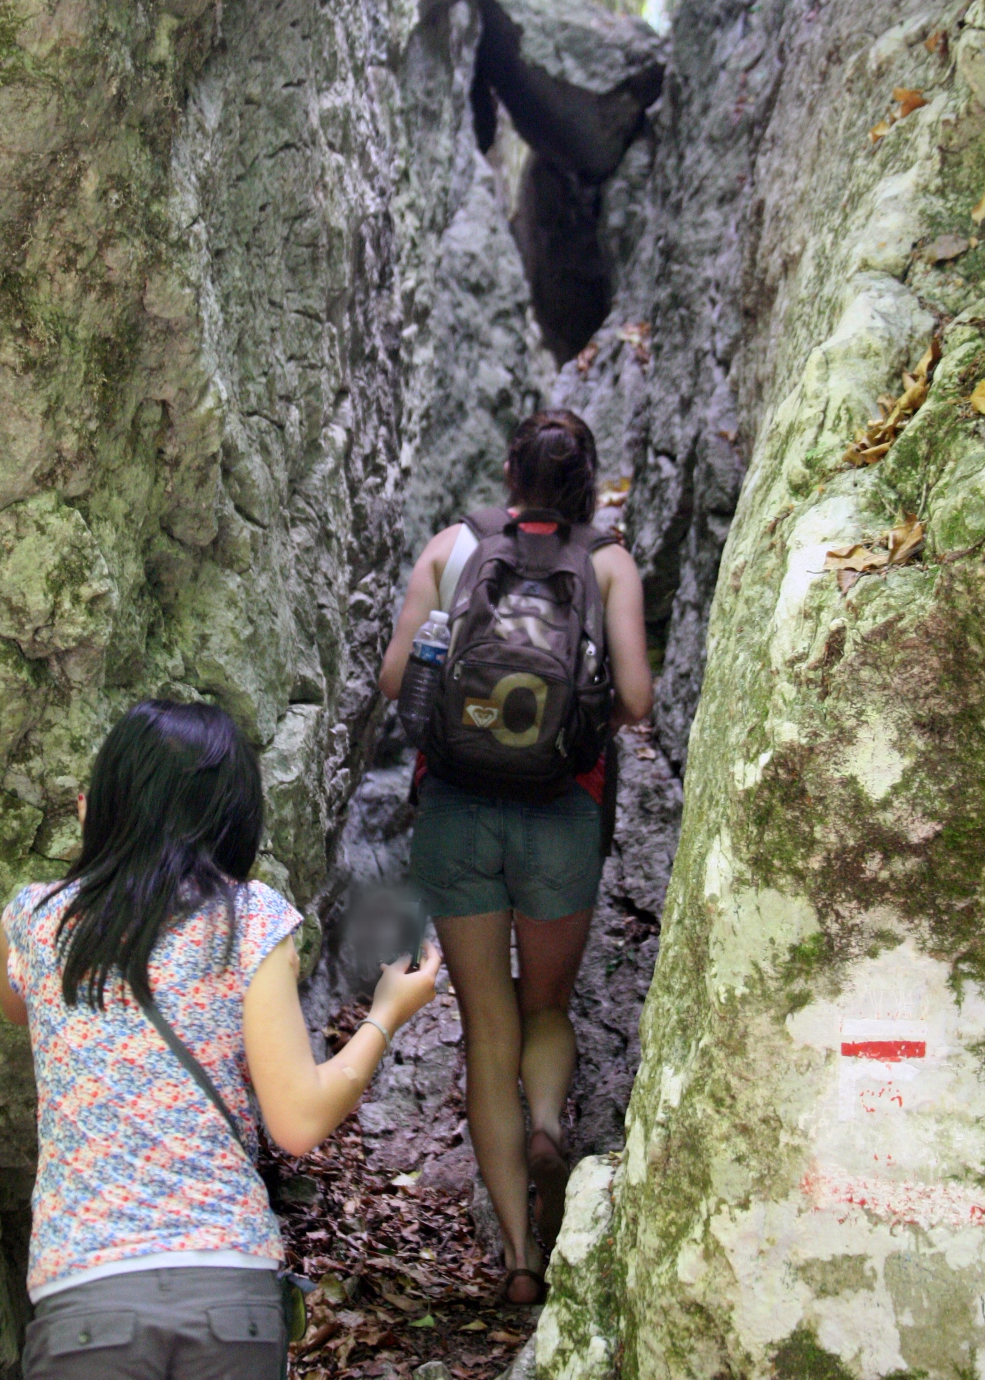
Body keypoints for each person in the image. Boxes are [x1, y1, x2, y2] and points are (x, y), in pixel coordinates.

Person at [0, 698, 439, 1378]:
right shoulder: (251, 922)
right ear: (233, 814)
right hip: (228, 1291)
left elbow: (19, 1007)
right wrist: (385, 1014)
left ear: (104, 800)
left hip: (83, 1294)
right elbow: (296, 1122)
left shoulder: (35, 920)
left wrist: (101, 856)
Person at [379, 411, 652, 1305]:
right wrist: (583, 725)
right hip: (560, 814)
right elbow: (639, 698)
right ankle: (546, 1120)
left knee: (486, 1031)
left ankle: (521, 1262)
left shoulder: (454, 549)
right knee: (546, 1009)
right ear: (587, 484)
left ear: (509, 473)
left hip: (457, 813)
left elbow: (393, 681)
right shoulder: (608, 565)